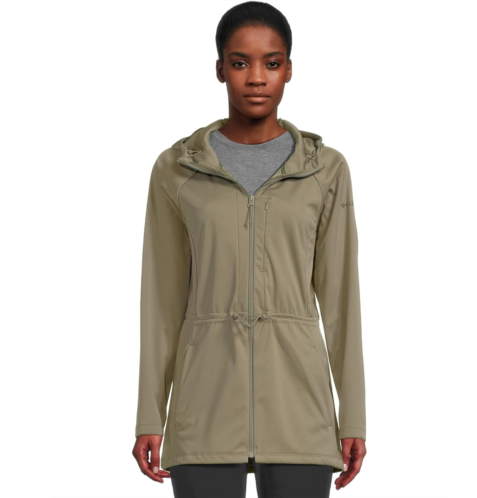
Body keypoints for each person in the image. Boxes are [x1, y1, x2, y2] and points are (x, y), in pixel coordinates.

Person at [132, 2, 367, 496]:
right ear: (220, 69)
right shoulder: (176, 169)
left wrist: (353, 418)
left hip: (300, 409)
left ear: (289, 69)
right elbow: (161, 302)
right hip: (204, 406)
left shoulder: (325, 170)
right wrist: (150, 415)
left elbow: (342, 302)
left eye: (271, 63)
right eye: (240, 63)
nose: (257, 77)